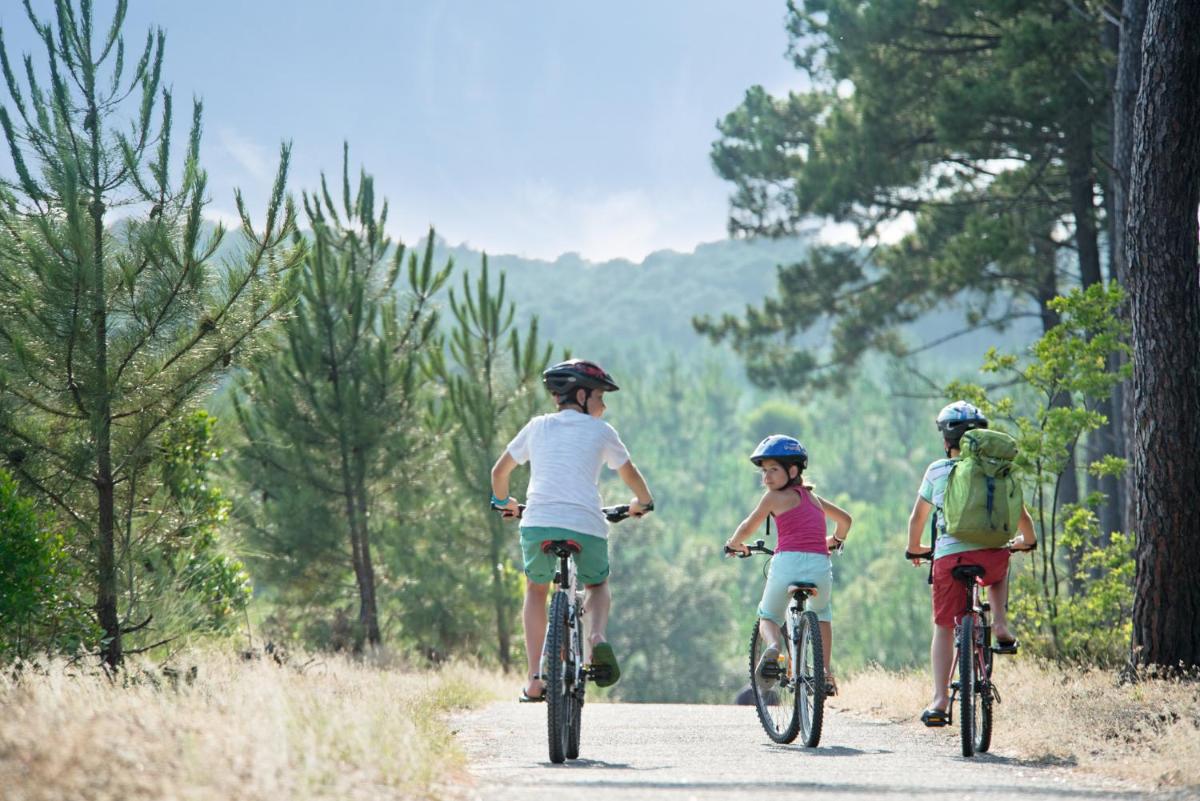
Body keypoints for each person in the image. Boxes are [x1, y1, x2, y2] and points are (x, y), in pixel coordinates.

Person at [491, 358, 653, 703]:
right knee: (597, 583)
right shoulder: (602, 432)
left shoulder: (537, 427)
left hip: (537, 521)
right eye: (599, 396)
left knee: (536, 589)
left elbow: (499, 472)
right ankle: (595, 637)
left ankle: (535, 678)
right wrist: (643, 500)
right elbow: (629, 473)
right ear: (581, 395)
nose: (604, 405)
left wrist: (504, 502)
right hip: (587, 525)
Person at [906, 400, 1037, 727]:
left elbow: (916, 519)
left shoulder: (937, 470)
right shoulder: (999, 472)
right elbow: (1022, 518)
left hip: (950, 558)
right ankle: (1002, 625)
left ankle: (939, 701)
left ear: (946, 440)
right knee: (1000, 562)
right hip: (991, 556)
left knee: (944, 627)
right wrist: (1027, 542)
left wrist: (915, 550)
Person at [725, 435, 852, 695]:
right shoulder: (814, 499)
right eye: (763, 471)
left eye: (773, 469)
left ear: (792, 470)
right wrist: (835, 540)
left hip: (787, 563)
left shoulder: (772, 498)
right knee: (822, 615)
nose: (767, 477)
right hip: (820, 564)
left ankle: (773, 648)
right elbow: (846, 520)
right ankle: (825, 674)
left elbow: (749, 525)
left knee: (768, 616)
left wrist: (734, 543)